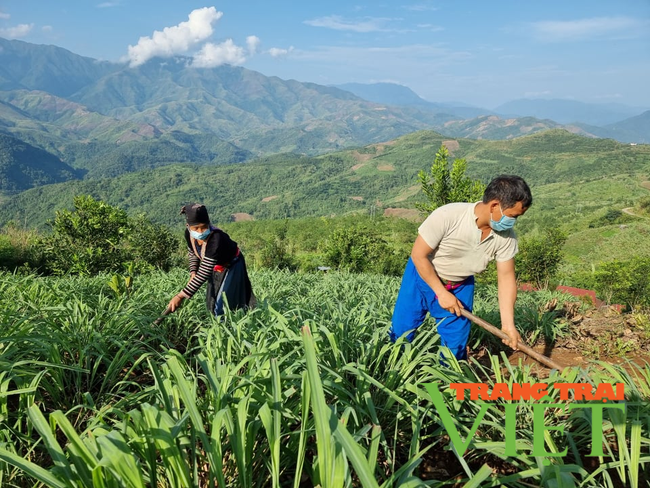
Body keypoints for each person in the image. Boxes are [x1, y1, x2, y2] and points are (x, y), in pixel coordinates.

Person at [389, 175, 532, 360]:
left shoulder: (506, 237)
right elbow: (418, 255)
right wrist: (440, 293)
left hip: (460, 285)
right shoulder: (448, 215)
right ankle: (394, 376)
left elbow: (506, 278)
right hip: (422, 276)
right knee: (401, 333)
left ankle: (445, 384)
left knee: (455, 345)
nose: (513, 222)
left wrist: (508, 326)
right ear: (495, 206)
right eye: (513, 216)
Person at [166, 203, 255, 317]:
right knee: (211, 302)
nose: (200, 231)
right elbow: (193, 253)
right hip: (216, 266)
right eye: (196, 228)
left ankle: (226, 329)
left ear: (208, 224)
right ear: (188, 226)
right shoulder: (188, 234)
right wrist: (193, 272)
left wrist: (180, 296)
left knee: (223, 304)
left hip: (232, 264)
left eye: (203, 227)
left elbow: (204, 272)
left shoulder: (215, 238)